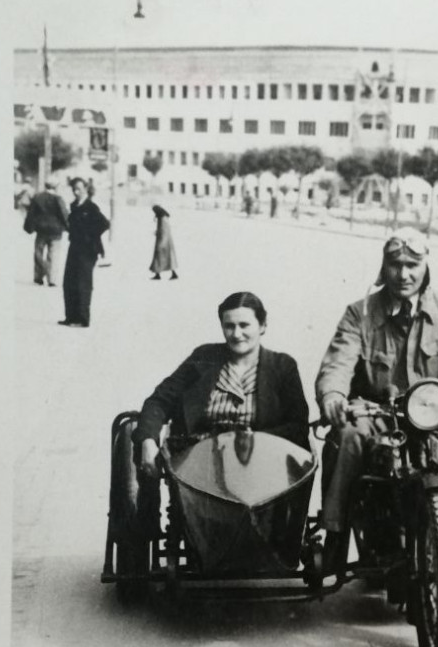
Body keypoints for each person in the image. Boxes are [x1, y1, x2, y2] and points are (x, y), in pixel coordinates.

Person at [315, 227, 438, 572]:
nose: (404, 274)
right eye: (395, 264)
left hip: (433, 409)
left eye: (413, 264)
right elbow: (338, 363)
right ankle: (336, 535)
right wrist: (333, 395)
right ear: (383, 266)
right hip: (376, 411)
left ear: (426, 267)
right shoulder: (359, 313)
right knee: (344, 438)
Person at [135, 291, 309, 480]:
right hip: (198, 463)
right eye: (229, 326)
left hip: (261, 467)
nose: (236, 334)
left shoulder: (282, 366)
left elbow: (298, 425)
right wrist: (148, 440)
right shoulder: (204, 358)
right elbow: (160, 401)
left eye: (244, 325)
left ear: (263, 326)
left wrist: (255, 440)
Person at [59, 178, 109, 328]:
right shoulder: (74, 206)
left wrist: (89, 236)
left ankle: (83, 319)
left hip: (87, 250)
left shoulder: (91, 207)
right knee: (69, 282)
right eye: (74, 189)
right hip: (74, 247)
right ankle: (70, 317)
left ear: (86, 189)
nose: (76, 192)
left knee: (83, 284)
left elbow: (104, 224)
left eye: (79, 189)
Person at [23, 177, 69, 287]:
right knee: (53, 255)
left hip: (41, 230)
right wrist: (68, 226)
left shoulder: (38, 197)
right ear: (56, 187)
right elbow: (64, 214)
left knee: (38, 252)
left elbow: (31, 214)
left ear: (45, 186)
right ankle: (52, 279)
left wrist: (28, 227)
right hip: (56, 231)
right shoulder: (58, 199)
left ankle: (38, 276)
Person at [149, 204, 179, 280]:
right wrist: (157, 232)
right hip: (164, 240)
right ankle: (170, 274)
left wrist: (161, 243)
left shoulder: (162, 218)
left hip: (163, 242)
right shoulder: (161, 216)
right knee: (168, 259)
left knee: (160, 258)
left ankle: (158, 275)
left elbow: (165, 230)